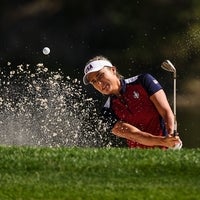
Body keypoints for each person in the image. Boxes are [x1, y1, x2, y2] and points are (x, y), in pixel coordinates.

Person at [83, 55, 182, 149]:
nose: (99, 83)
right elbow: (134, 135)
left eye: (100, 75)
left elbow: (166, 111)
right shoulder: (106, 111)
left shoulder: (143, 81)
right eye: (94, 81)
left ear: (113, 70)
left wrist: (171, 136)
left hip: (167, 150)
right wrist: (163, 141)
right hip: (139, 158)